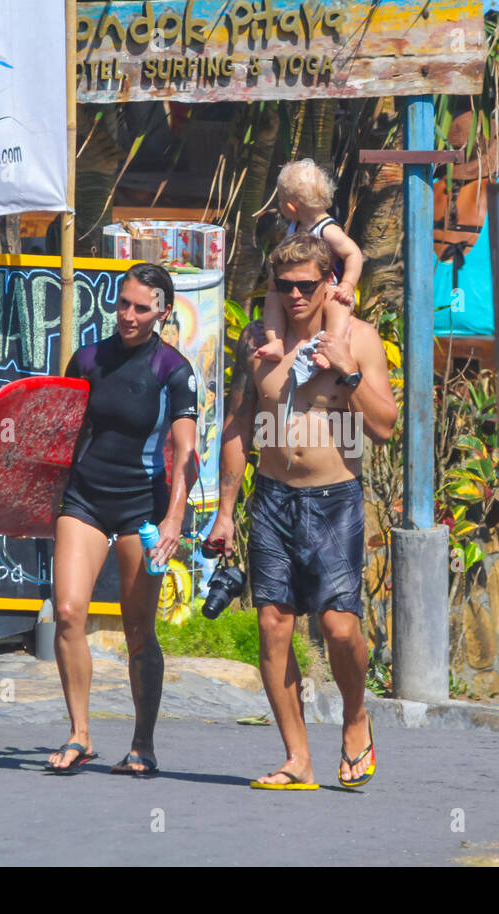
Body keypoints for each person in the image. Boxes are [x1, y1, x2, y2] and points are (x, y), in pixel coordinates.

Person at [207, 232, 398, 789]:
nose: (294, 295)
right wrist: (225, 511)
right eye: (283, 285)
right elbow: (241, 426)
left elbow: (384, 427)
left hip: (334, 499)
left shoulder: (358, 339)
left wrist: (349, 374)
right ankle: (297, 758)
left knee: (340, 628)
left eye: (306, 285)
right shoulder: (257, 342)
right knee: (273, 625)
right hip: (272, 497)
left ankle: (356, 718)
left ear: (328, 284)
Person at [46, 262, 198, 774]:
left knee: (138, 628)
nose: (128, 315)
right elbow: (58, 434)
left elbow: (186, 454)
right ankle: (79, 734)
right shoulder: (86, 359)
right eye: (122, 304)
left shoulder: (172, 370)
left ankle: (143, 743)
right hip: (85, 500)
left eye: (140, 307)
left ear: (162, 311)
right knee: (67, 613)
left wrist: (174, 521)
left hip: (142, 510)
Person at [254, 159, 364, 367]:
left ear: (289, 206)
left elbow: (354, 254)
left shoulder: (327, 230)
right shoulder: (296, 226)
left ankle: (332, 347)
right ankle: (276, 342)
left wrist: (347, 284)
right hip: (302, 290)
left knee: (335, 302)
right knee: (273, 297)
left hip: (331, 288)